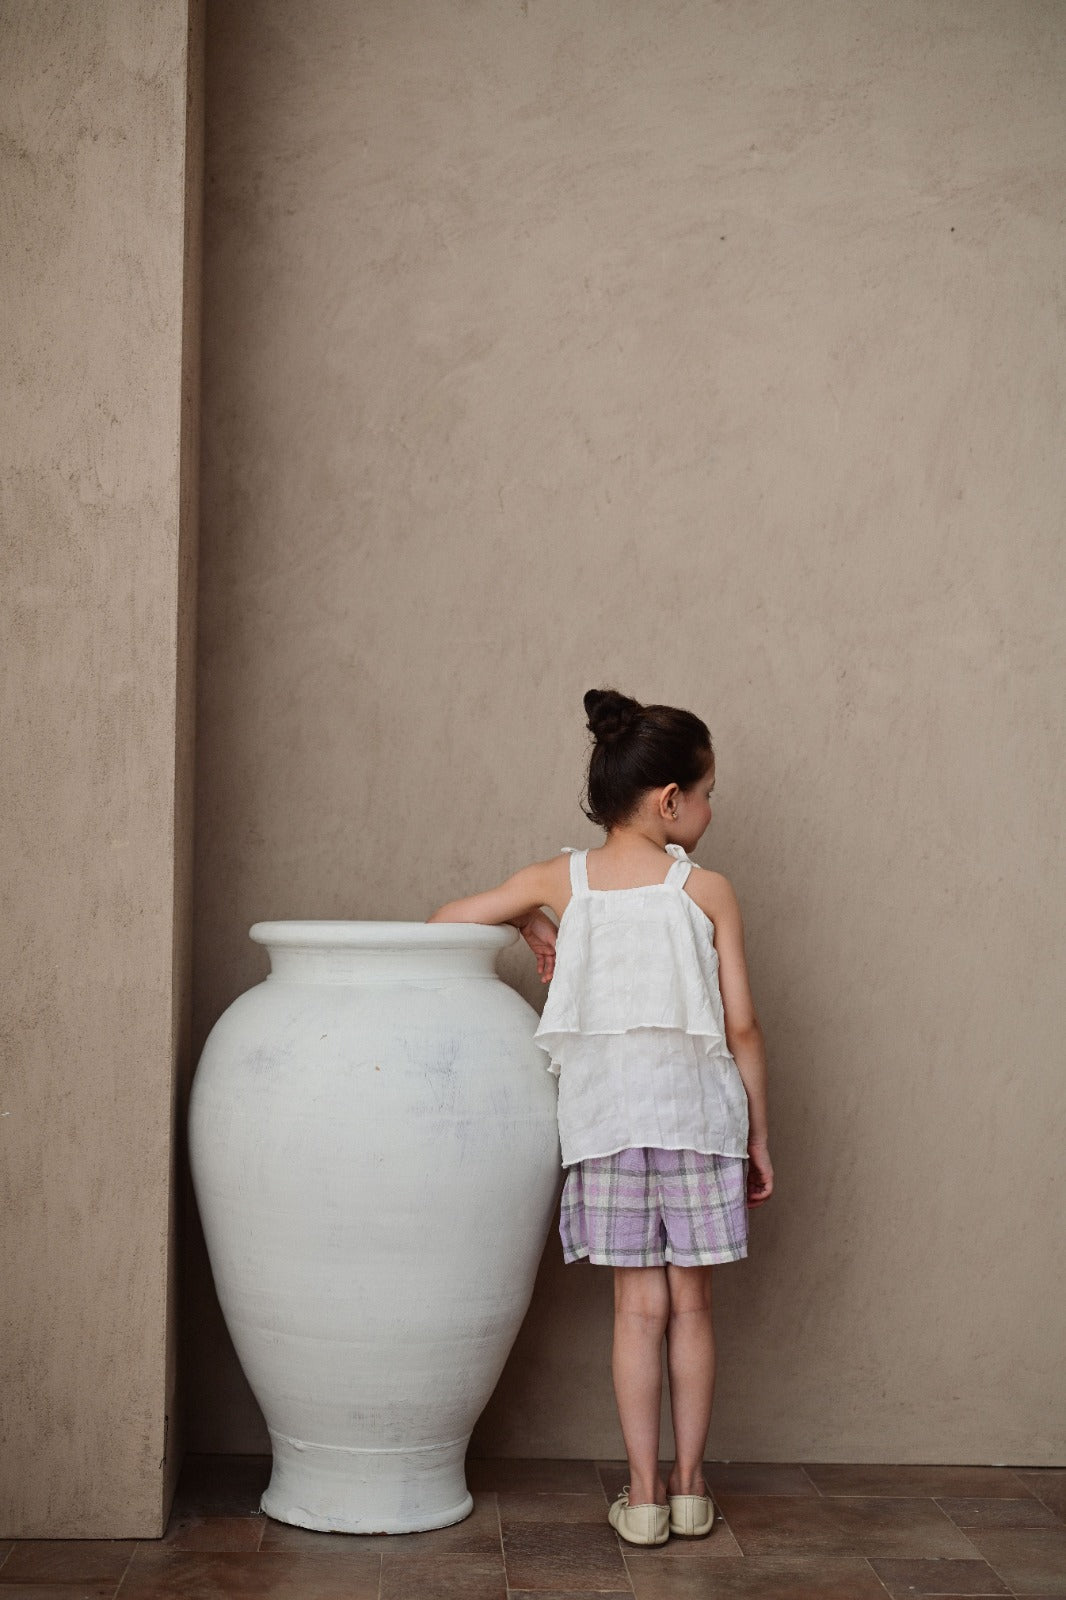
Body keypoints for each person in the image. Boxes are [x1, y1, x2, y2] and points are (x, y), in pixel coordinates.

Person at [427, 687, 773, 1547]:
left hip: (606, 1127)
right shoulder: (709, 892)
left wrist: (531, 920)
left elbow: (445, 921)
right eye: (706, 792)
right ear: (669, 802)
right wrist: (758, 1135)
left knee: (635, 1314)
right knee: (692, 1310)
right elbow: (742, 1027)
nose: (709, 807)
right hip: (700, 1125)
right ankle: (694, 1491)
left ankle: (645, 1499)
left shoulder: (562, 880)